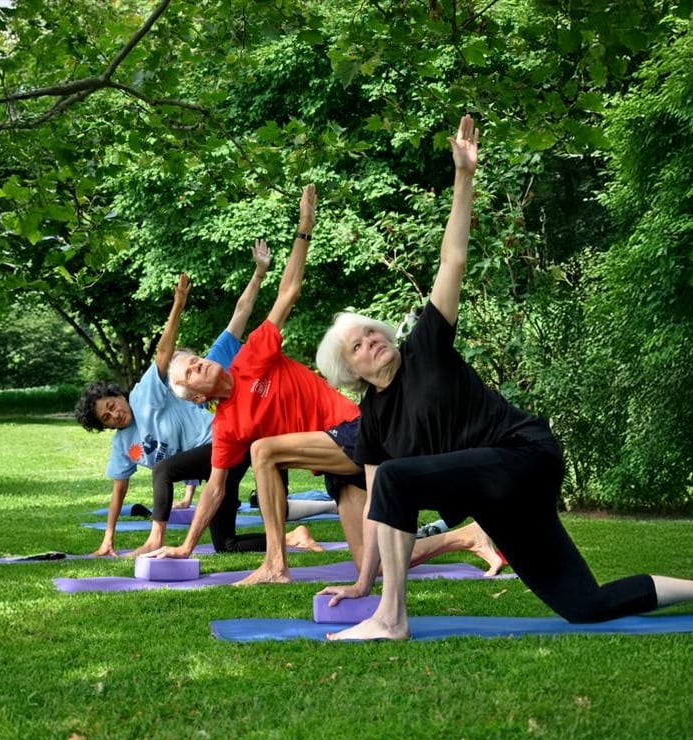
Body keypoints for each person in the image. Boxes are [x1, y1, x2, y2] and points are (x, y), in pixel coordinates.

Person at [315, 114, 693, 640]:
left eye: (372, 333)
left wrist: (464, 176)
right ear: (349, 372)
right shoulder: (373, 418)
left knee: (402, 478)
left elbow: (453, 258)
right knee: (584, 604)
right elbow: (381, 511)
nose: (372, 341)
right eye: (357, 345)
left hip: (523, 456)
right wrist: (361, 580)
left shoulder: (425, 344)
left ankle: (391, 619)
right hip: (498, 499)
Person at [147, 184, 504, 583]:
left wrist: (304, 228)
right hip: (336, 465)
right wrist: (186, 545)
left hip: (356, 431)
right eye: (192, 372)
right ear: (195, 396)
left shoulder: (251, 356)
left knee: (263, 450)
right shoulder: (226, 427)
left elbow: (289, 292)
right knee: (375, 563)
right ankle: (468, 536)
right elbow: (214, 489)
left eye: (196, 359)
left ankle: (275, 564)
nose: (200, 364)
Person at [75, 248, 320, 557]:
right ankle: (293, 537)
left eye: (111, 405)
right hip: (218, 457)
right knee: (224, 544)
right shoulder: (131, 434)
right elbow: (119, 490)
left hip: (231, 442)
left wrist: (256, 274)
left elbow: (239, 313)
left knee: (164, 469)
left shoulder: (200, 367)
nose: (114, 414)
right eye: (106, 418)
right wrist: (108, 538)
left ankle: (156, 538)